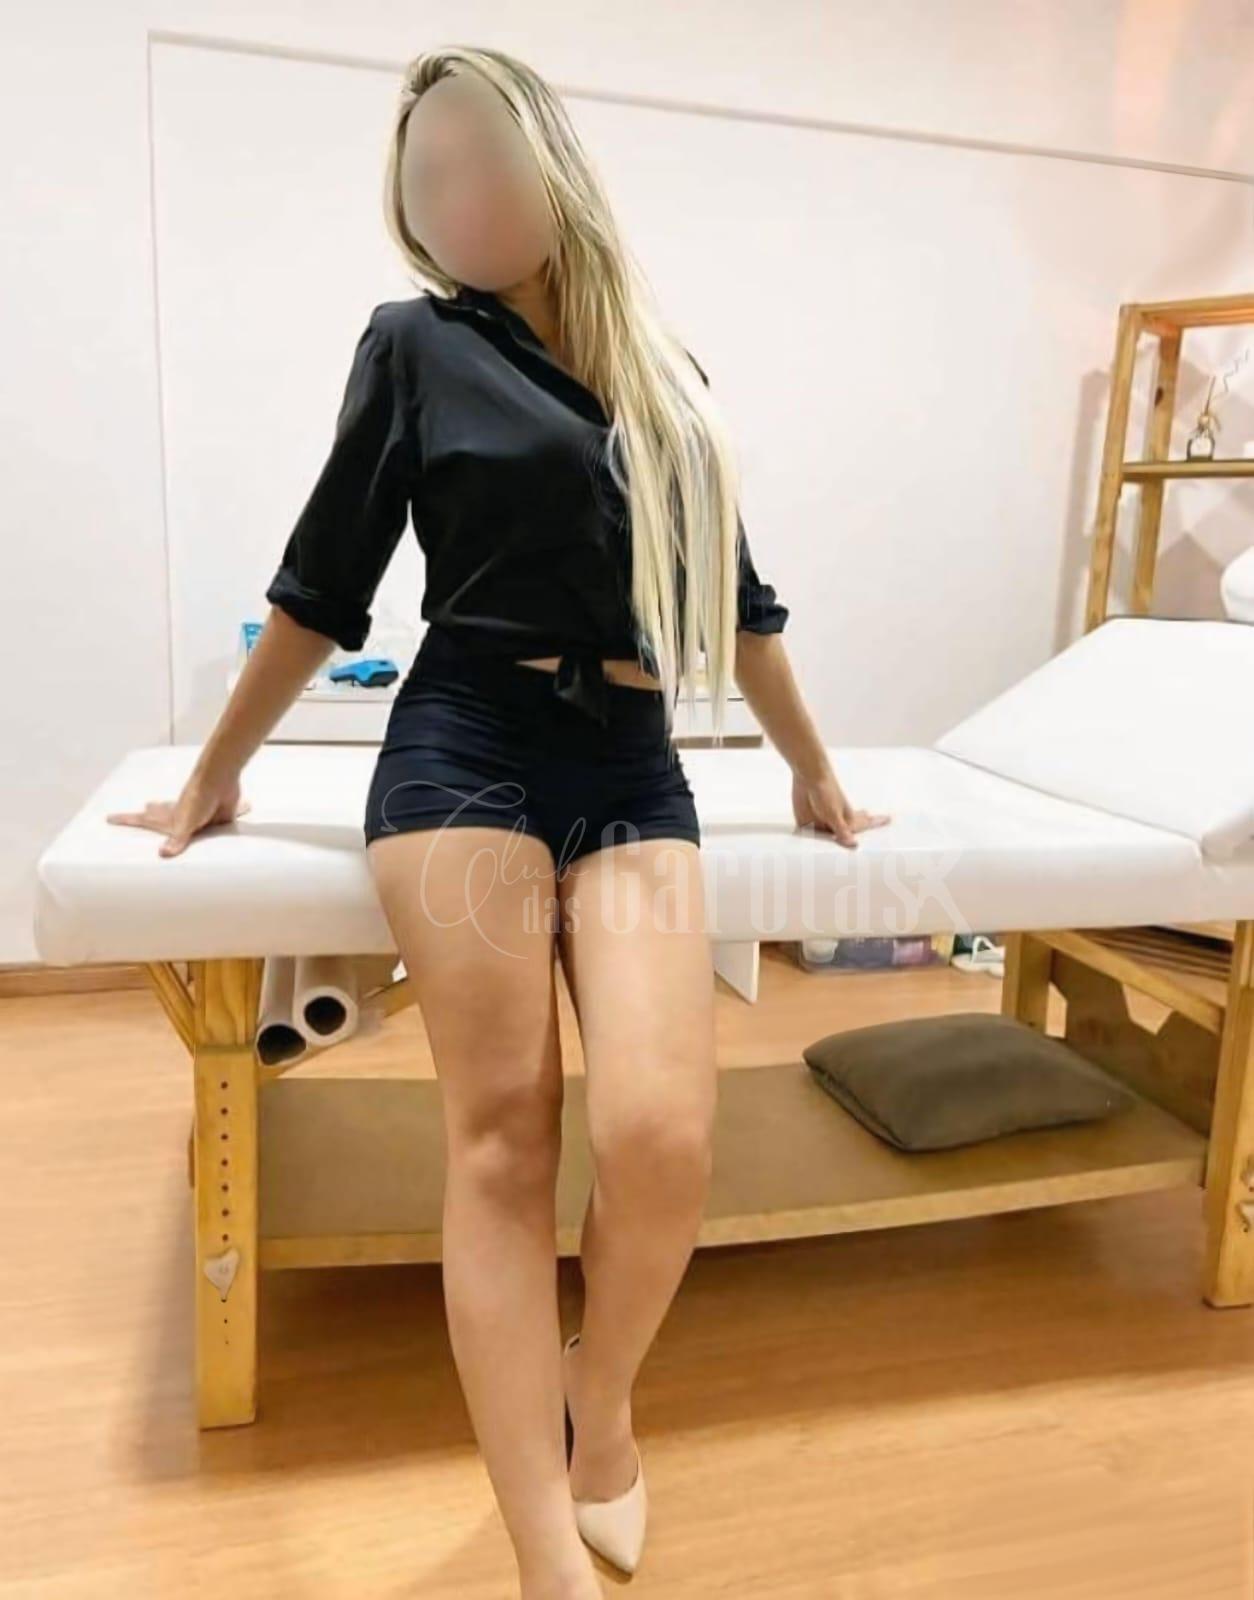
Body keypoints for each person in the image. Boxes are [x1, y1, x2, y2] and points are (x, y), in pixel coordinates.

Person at [108, 44, 889, 1600]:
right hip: (463, 742)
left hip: (631, 762)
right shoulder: (412, 344)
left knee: (660, 1136)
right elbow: (320, 582)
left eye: (477, 158)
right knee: (505, 1132)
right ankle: (544, 1559)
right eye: (425, 181)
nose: (452, 198)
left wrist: (809, 766)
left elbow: (738, 601)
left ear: (551, 161)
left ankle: (601, 1398)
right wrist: (215, 772)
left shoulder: (666, 375)